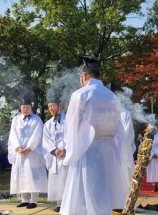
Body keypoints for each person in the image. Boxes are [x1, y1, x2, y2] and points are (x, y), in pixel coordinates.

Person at [60, 56, 127, 215]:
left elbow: (71, 126)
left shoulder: (80, 94)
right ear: (100, 76)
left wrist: (69, 151)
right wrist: (116, 152)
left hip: (87, 148)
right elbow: (120, 127)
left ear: (84, 76)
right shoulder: (112, 96)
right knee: (104, 193)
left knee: (84, 194)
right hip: (108, 149)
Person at [8, 92, 47, 209]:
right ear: (20, 108)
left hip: (32, 153)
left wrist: (29, 148)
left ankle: (34, 199)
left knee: (33, 175)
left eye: (27, 107)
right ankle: (24, 199)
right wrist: (17, 147)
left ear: (31, 107)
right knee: (21, 175)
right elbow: (12, 135)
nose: (25, 109)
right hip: (19, 152)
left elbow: (38, 134)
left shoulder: (37, 119)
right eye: (23, 107)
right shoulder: (16, 120)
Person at [42, 89, 68, 213]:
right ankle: (59, 202)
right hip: (55, 157)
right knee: (57, 180)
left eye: (53, 105)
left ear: (60, 105)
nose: (50, 108)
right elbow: (45, 141)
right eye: (49, 106)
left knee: (67, 180)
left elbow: (73, 137)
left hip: (67, 156)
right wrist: (54, 150)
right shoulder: (47, 124)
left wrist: (66, 150)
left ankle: (68, 203)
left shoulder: (69, 120)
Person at [109, 80, 136, 187]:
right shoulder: (106, 112)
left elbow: (128, 134)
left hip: (122, 150)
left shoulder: (125, 113)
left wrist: (118, 147)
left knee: (124, 180)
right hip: (108, 150)